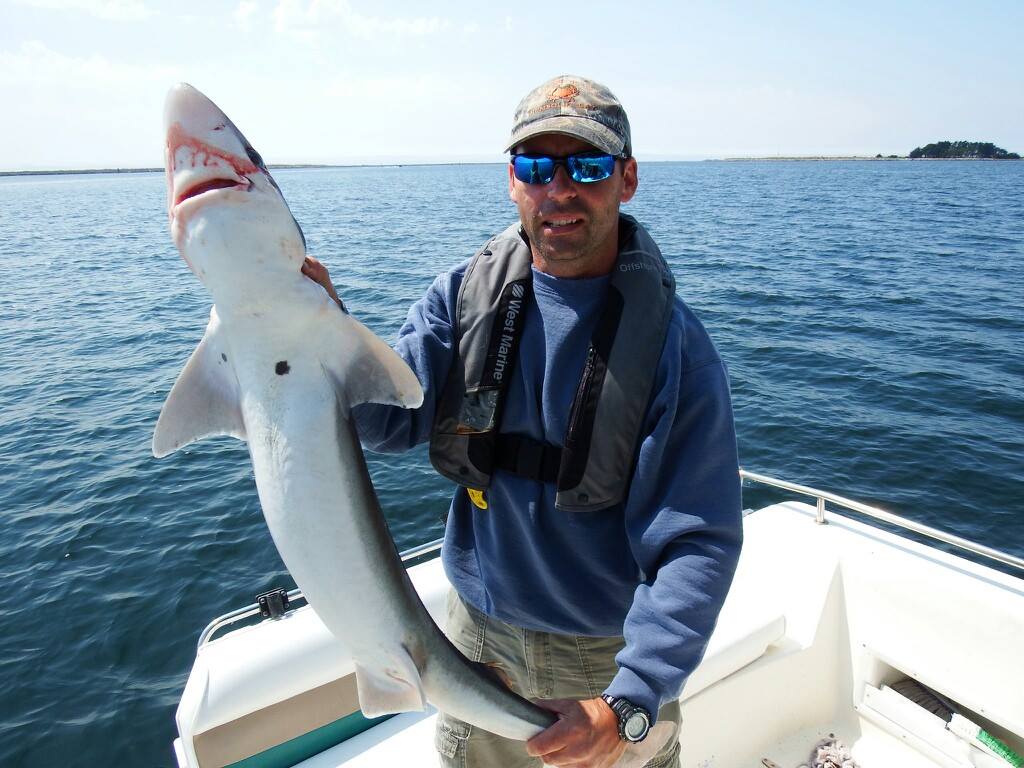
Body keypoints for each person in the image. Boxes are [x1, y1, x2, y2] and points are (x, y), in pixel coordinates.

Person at [302, 74, 743, 768]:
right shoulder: (462, 298)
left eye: (588, 166)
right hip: (474, 642)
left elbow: (700, 543)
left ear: (627, 179)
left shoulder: (675, 349)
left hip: (608, 656)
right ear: (512, 180)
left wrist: (627, 702)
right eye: (537, 167)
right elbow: (384, 422)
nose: (559, 190)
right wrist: (320, 336)